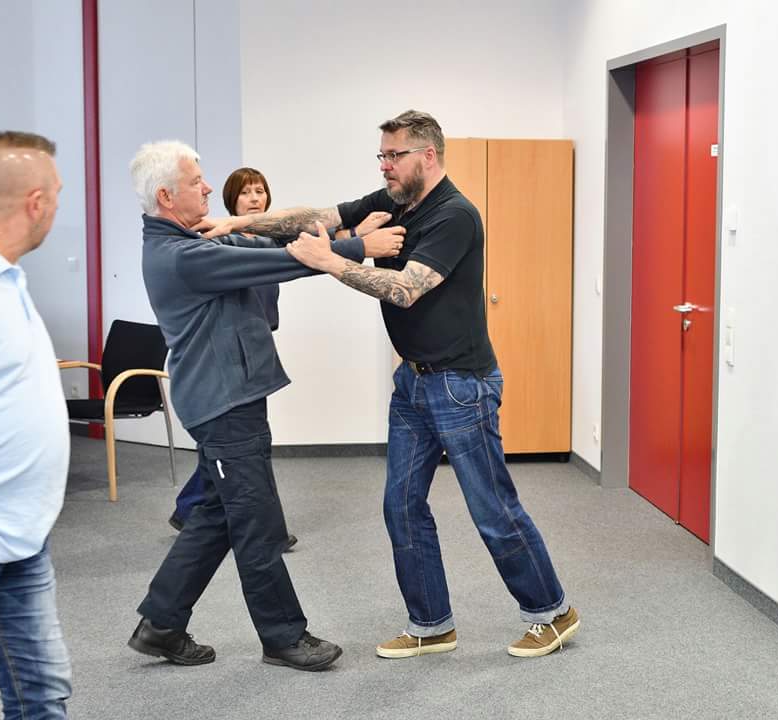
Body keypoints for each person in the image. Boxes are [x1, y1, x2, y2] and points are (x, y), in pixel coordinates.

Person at [203, 110, 579, 658]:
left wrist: (330, 262)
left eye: (394, 155)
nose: (385, 165)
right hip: (413, 382)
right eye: (381, 155)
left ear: (427, 155)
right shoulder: (397, 201)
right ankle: (431, 623)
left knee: (492, 510)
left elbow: (405, 290)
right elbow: (320, 215)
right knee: (400, 505)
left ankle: (551, 612)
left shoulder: (455, 215)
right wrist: (237, 224)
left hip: (461, 385)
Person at [125, 140, 402, 671]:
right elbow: (276, 263)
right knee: (255, 521)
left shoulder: (189, 240)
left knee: (216, 515)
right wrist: (359, 248)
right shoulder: (182, 257)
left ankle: (161, 623)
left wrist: (342, 237)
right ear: (166, 196)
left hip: (230, 397)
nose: (209, 187)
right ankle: (283, 636)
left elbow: (256, 246)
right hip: (223, 404)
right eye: (196, 182)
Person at [168, 167, 383, 550]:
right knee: (248, 446)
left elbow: (312, 244)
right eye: (246, 192)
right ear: (231, 201)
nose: (255, 198)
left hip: (255, 345)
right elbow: (294, 256)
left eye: (260, 191)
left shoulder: (270, 237)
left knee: (235, 448)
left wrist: (355, 233)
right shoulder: (225, 241)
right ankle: (265, 530)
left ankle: (191, 510)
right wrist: (359, 243)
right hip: (232, 356)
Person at [0, 131, 72, 717]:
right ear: (36, 203)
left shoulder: (10, 280)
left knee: (41, 694)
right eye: (58, 193)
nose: (59, 204)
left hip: (23, 536)